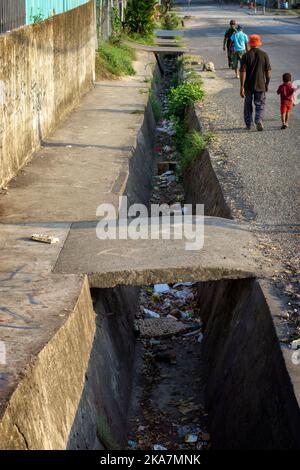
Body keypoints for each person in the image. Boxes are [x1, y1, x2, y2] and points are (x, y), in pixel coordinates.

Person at [240, 34, 272, 131]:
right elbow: (268, 72)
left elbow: (243, 72)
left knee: (248, 104)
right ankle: (258, 120)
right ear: (258, 43)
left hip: (248, 86)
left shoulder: (245, 56)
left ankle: (248, 124)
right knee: (260, 104)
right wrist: (267, 83)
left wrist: (242, 87)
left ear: (249, 43)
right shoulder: (264, 54)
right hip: (260, 84)